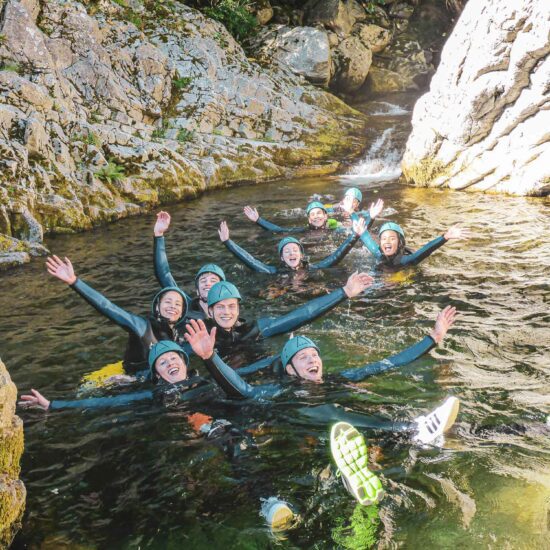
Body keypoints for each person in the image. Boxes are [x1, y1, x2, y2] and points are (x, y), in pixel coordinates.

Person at [46, 255, 192, 373]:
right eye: (167, 302)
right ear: (157, 308)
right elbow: (108, 307)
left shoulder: (179, 332)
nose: (172, 306)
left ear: (181, 313)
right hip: (128, 380)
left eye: (177, 304)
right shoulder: (142, 327)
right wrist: (75, 282)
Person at [202, 272, 373, 358]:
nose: (227, 312)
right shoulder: (200, 338)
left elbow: (302, 314)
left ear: (239, 309)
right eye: (220, 307)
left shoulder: (254, 329)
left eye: (231, 306)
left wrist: (344, 292)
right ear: (210, 311)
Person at [217, 216, 367, 274]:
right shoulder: (273, 271)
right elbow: (251, 261)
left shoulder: (313, 268)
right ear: (281, 258)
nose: (291, 253)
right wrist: (228, 243)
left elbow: (337, 255)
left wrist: (356, 235)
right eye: (287, 252)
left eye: (294, 250)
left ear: (302, 255)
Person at [154, 211, 225, 319]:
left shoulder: (231, 315)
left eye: (213, 281)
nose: (208, 284)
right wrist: (159, 235)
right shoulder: (186, 307)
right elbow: (164, 275)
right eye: (203, 280)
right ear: (197, 290)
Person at [360, 217, 470, 271]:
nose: (387, 241)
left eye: (392, 238)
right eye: (384, 238)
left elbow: (426, 250)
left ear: (399, 242)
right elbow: (365, 237)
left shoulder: (406, 260)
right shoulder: (379, 254)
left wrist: (445, 237)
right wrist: (351, 213)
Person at [243, 199, 383, 234]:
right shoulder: (304, 231)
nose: (316, 217)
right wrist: (258, 220)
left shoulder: (335, 230)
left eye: (319, 213)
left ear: (325, 216)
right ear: (309, 219)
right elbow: (280, 230)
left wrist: (371, 217)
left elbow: (357, 232)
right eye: (313, 214)